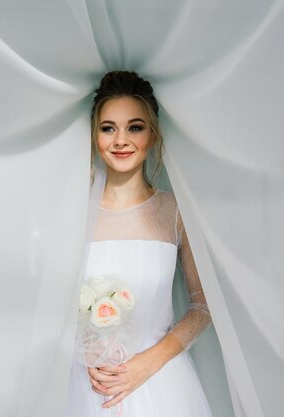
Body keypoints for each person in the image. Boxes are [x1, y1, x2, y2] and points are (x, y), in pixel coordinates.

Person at [65, 71, 213, 416]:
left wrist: (146, 364)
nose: (120, 140)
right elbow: (48, 305)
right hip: (83, 384)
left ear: (152, 134)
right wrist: (81, 353)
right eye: (108, 128)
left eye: (134, 127)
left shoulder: (174, 210)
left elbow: (204, 306)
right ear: (94, 135)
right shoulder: (72, 213)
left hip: (160, 384)